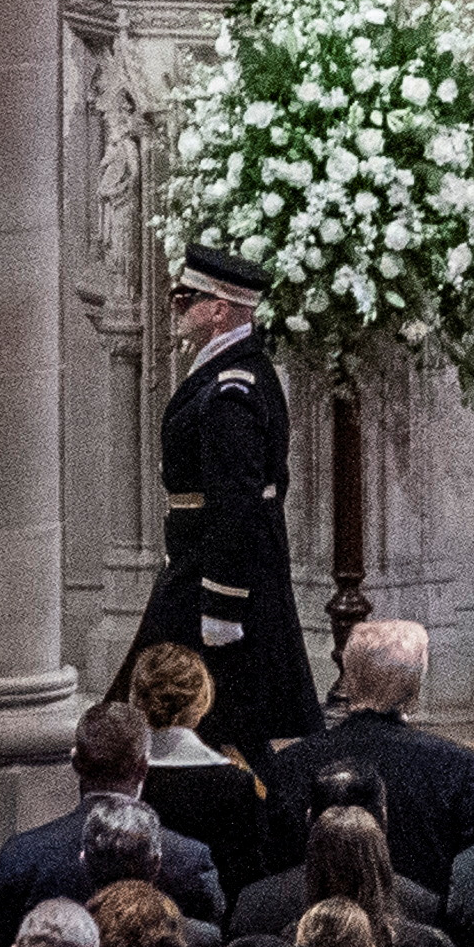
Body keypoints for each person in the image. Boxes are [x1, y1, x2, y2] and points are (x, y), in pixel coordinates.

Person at [120, 246, 318, 756]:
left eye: (186, 298)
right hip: (200, 563)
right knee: (232, 718)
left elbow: (236, 504)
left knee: (149, 708)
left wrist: (221, 602)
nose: (176, 307)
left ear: (220, 309)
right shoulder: (227, 370)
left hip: (210, 575)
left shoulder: (233, 387)